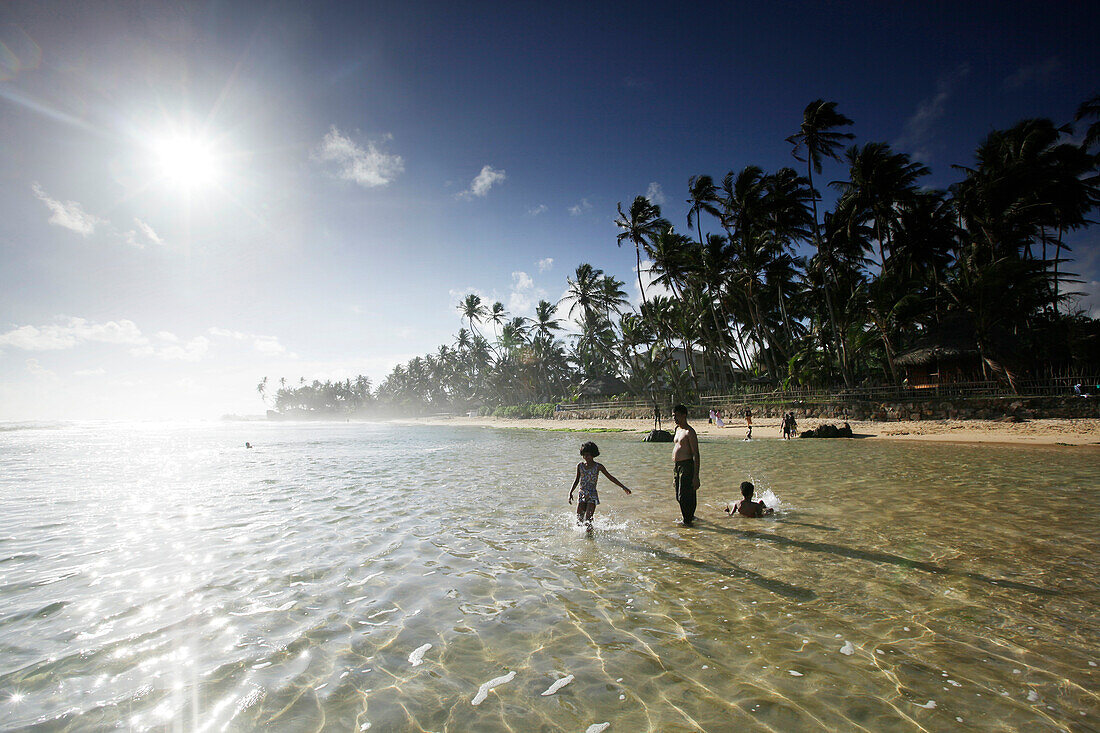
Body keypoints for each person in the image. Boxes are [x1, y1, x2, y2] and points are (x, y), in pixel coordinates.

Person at [568, 441, 632, 526]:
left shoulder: (598, 466)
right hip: (582, 493)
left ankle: (590, 536)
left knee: (588, 519)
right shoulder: (580, 466)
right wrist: (571, 492)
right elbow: (576, 480)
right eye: (584, 455)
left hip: (592, 494)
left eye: (587, 455)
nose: (585, 457)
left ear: (593, 454)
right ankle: (581, 539)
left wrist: (623, 487)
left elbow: (611, 477)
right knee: (579, 519)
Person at [672, 404, 700, 526]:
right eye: (673, 416)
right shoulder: (677, 430)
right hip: (677, 466)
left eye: (677, 416)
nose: (675, 418)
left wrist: (696, 476)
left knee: (684, 495)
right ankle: (690, 517)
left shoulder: (690, 432)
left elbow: (696, 454)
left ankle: (687, 520)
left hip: (687, 465)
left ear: (684, 415)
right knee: (679, 496)